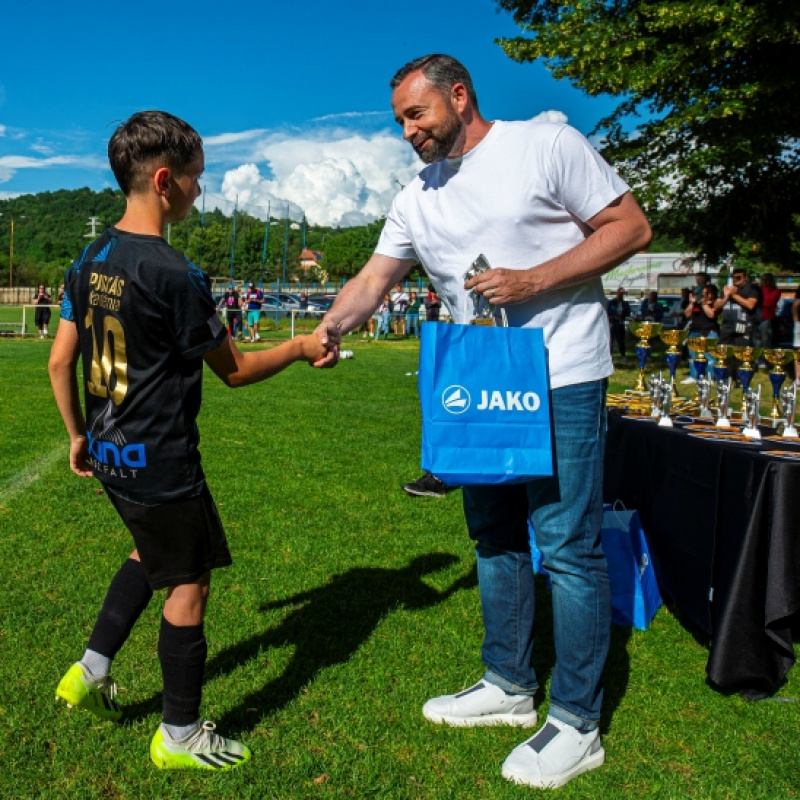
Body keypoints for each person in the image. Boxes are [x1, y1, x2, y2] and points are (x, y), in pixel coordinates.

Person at [312, 54, 651, 789]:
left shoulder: (546, 145)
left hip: (560, 373)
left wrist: (535, 280)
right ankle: (507, 684)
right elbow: (376, 277)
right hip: (476, 383)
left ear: (459, 97)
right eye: (400, 119)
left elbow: (629, 228)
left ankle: (578, 723)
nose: (408, 131)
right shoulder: (416, 197)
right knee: (492, 535)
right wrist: (333, 326)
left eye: (417, 114)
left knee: (566, 546)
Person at [48, 110, 324, 772]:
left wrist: (77, 437)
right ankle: (178, 735)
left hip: (111, 452)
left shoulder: (88, 259)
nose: (202, 192)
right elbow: (235, 371)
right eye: (197, 180)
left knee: (151, 554)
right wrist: (300, 345)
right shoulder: (176, 273)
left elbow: (60, 361)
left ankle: (88, 671)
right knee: (189, 582)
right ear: (165, 181)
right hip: (159, 458)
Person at [714, 267, 761, 381]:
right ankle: (725, 375)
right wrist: (726, 296)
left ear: (745, 277)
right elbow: (716, 306)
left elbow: (750, 305)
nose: (736, 279)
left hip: (743, 325)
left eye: (739, 277)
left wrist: (734, 295)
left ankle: (741, 378)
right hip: (727, 326)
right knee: (724, 351)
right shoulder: (727, 291)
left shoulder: (751, 289)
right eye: (733, 277)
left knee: (741, 352)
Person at [681, 283, 720, 384]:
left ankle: (709, 377)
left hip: (709, 331)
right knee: (692, 354)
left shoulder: (716, 303)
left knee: (709, 355)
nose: (704, 295)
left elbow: (711, 315)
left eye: (707, 293)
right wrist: (691, 303)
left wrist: (704, 304)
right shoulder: (696, 303)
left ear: (713, 293)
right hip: (694, 331)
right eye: (703, 293)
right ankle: (694, 376)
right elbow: (687, 314)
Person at [757, 273, 781, 350]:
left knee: (765, 341)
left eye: (767, 279)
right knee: (755, 341)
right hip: (755, 318)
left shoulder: (776, 291)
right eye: (763, 279)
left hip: (767, 319)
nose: (765, 281)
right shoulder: (757, 289)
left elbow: (769, 303)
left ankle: (765, 359)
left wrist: (758, 301)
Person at [606, 287, 631, 358]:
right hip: (613, 324)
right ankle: (609, 356)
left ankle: (623, 355)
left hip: (621, 324)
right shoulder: (611, 303)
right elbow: (608, 312)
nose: (621, 294)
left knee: (621, 341)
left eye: (622, 293)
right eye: (620, 293)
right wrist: (615, 316)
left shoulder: (625, 304)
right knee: (611, 340)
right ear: (617, 293)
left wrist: (622, 314)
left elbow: (628, 313)